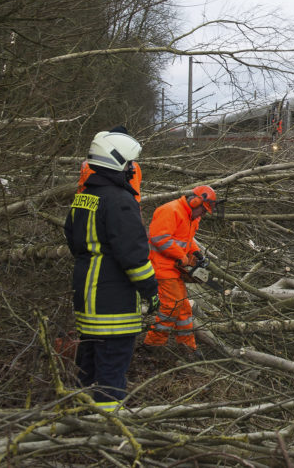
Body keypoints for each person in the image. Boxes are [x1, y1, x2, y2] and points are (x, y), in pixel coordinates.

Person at [65, 129, 158, 411]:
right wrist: (151, 291)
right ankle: (106, 430)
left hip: (86, 298)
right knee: (111, 375)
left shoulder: (84, 197)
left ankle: (81, 418)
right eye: (130, 163)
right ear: (115, 161)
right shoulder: (120, 201)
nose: (132, 169)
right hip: (112, 304)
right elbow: (135, 258)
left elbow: (72, 239)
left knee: (88, 368)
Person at [143, 184, 217, 352]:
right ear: (195, 202)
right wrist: (182, 256)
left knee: (183, 308)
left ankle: (187, 345)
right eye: (203, 210)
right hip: (161, 266)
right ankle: (153, 343)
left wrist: (197, 254)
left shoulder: (192, 217)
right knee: (172, 305)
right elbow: (159, 238)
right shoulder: (171, 210)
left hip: (174, 268)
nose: (203, 214)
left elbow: (186, 239)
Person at [77, 126, 141, 203]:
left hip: (87, 201)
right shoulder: (131, 165)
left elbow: (81, 187)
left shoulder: (88, 162)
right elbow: (135, 190)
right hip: (115, 202)